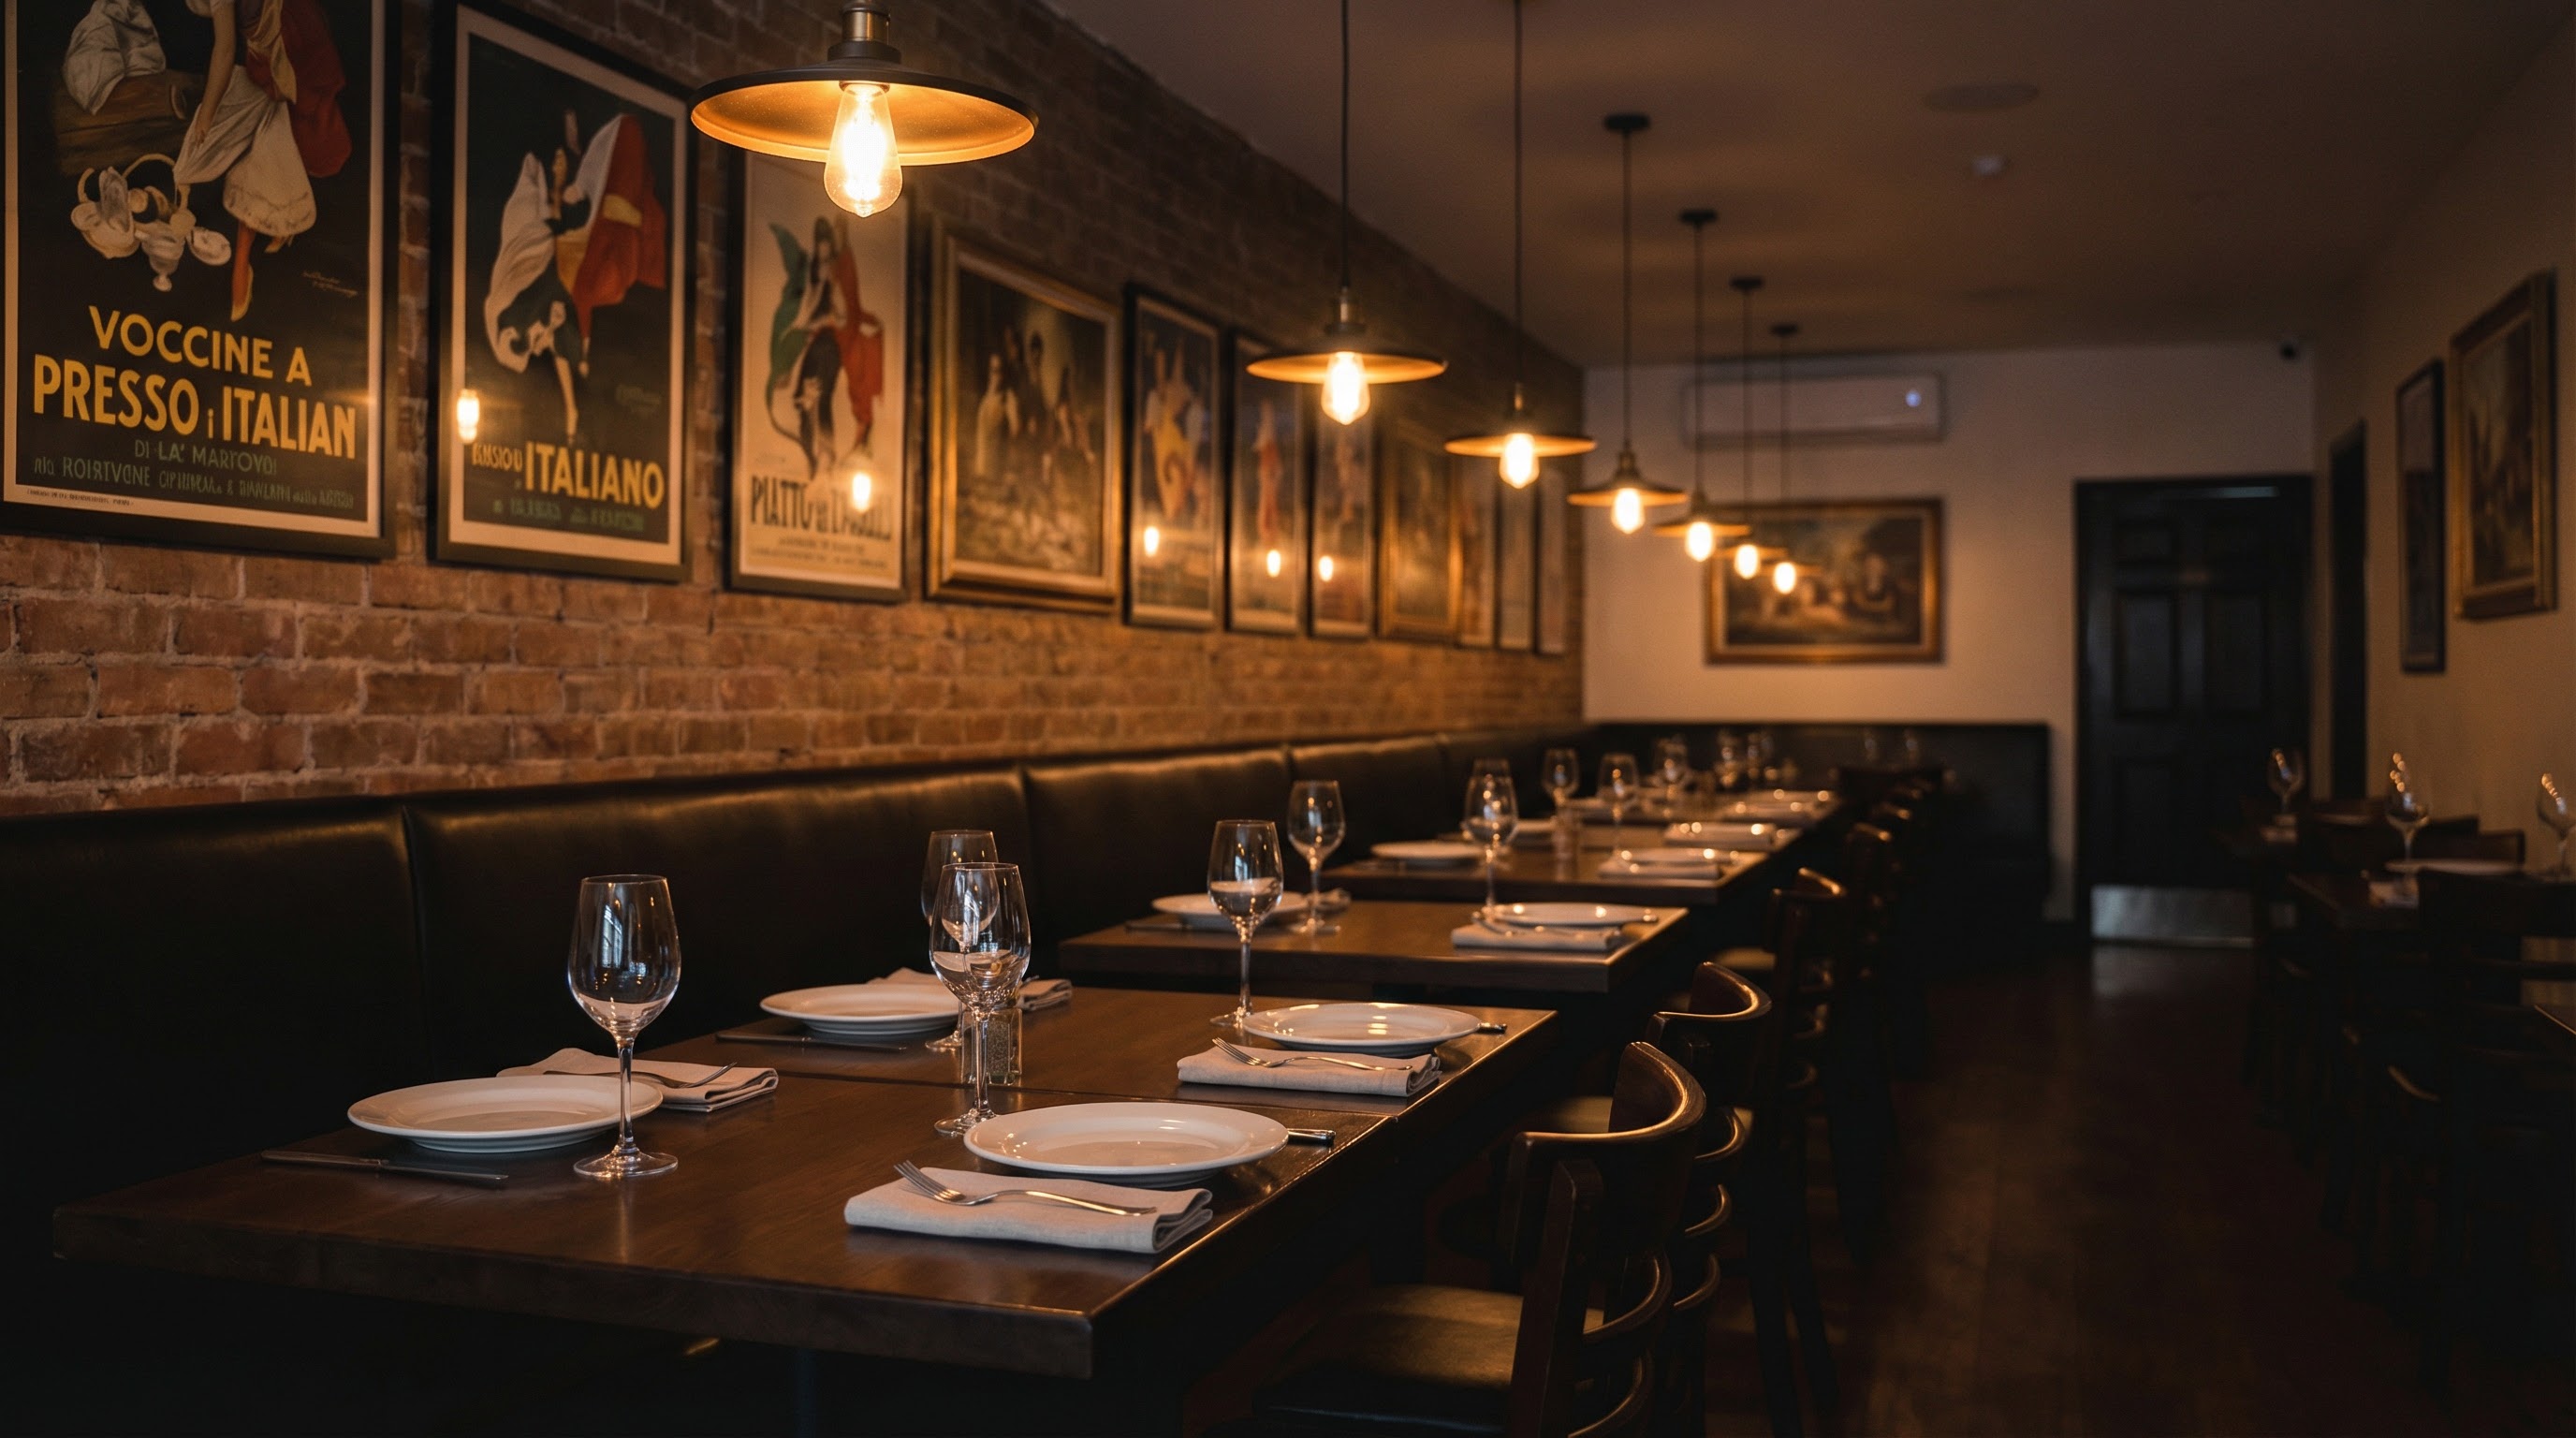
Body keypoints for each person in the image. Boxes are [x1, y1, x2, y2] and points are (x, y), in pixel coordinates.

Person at [172, 0, 349, 321]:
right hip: (267, 57)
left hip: (295, 51)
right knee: (248, 144)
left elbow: (225, 50)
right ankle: (273, 228)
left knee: (282, 144)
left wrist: (208, 113)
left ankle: (242, 261)